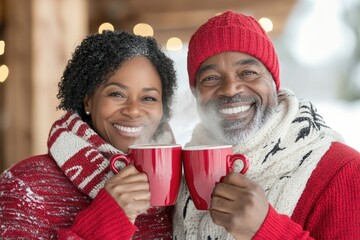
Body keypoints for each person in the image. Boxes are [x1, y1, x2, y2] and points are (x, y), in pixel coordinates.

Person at [173, 10, 360, 239]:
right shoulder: (185, 173)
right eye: (211, 78)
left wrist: (264, 228)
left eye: (248, 72)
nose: (231, 89)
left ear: (274, 82)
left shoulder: (342, 170)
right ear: (196, 93)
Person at [0, 30, 178, 239]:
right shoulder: (24, 185)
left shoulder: (180, 188)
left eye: (148, 98)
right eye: (116, 94)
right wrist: (108, 219)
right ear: (88, 101)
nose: (133, 110)